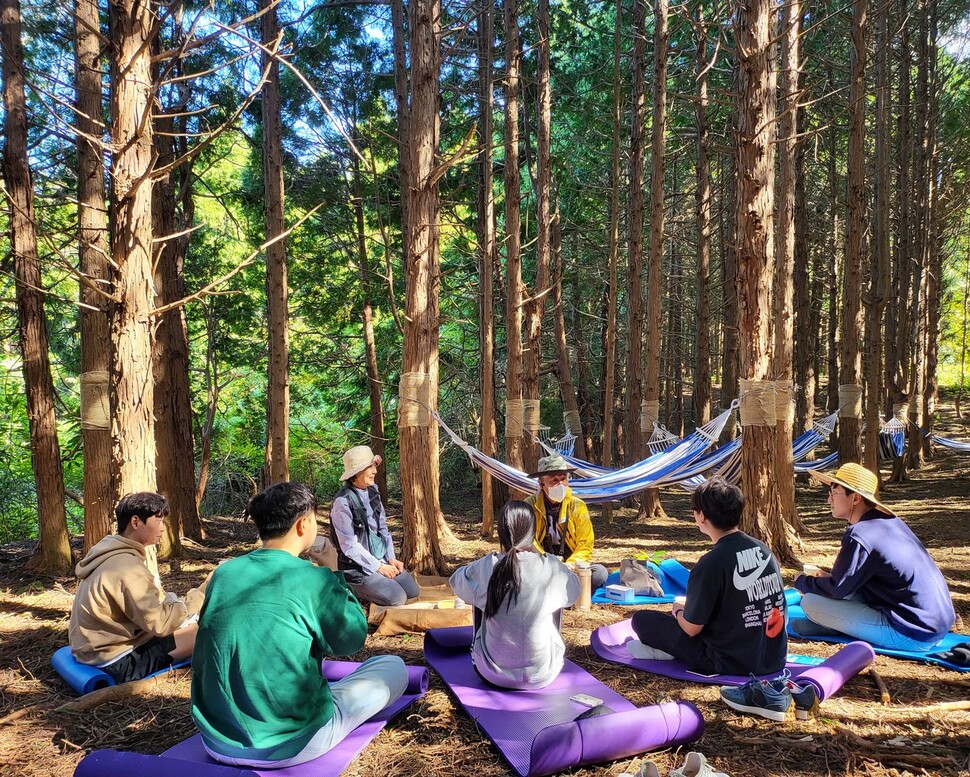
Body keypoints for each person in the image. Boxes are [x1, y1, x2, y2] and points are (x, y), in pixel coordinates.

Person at [191, 482, 408, 769]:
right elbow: (351, 640)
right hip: (293, 742)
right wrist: (333, 573)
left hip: (216, 739)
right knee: (393, 667)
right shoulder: (313, 579)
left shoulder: (225, 573)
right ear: (304, 523)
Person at [628, 478, 788, 677]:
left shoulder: (712, 563)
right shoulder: (764, 550)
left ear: (701, 516)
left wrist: (679, 612)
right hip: (773, 657)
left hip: (729, 661)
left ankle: (664, 652)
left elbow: (691, 629)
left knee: (642, 620)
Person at [792, 463, 955, 650]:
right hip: (932, 626)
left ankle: (838, 626)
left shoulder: (860, 535)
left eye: (833, 493)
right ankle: (840, 625)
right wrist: (828, 579)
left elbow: (837, 590)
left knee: (810, 602)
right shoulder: (890, 524)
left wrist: (802, 582)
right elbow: (849, 582)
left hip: (912, 634)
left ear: (855, 498)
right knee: (828, 595)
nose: (829, 500)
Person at [69, 492, 203, 683]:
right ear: (135, 522)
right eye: (158, 521)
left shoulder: (107, 553)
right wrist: (202, 593)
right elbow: (160, 624)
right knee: (209, 632)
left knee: (187, 623)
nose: (163, 529)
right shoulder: (128, 567)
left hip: (91, 651)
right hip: (117, 662)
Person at [449, 500, 580, 689]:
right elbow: (574, 592)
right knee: (555, 597)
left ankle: (492, 654)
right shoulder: (550, 566)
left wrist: (494, 558)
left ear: (500, 531)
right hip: (543, 675)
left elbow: (456, 581)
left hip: (491, 674)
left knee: (479, 596)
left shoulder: (487, 565)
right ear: (533, 533)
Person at [329, 445, 419, 606]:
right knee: (397, 598)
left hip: (381, 559)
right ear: (355, 473)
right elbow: (349, 546)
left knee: (413, 592)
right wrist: (379, 567)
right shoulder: (342, 503)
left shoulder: (373, 491)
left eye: (374, 466)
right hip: (358, 569)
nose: (375, 471)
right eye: (369, 467)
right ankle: (352, 588)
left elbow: (382, 528)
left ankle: (378, 584)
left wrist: (390, 558)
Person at [526, 454, 608, 591]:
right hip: (542, 565)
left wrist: (571, 564)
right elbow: (529, 542)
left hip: (572, 567)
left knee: (599, 573)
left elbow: (585, 545)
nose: (560, 484)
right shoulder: (529, 506)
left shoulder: (578, 506)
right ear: (541, 483)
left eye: (563, 479)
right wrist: (548, 562)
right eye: (554, 480)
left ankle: (560, 591)